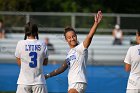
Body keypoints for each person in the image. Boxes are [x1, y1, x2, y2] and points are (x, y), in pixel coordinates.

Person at [45, 11, 102, 93]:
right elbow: (62, 68)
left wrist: (96, 23)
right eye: (69, 37)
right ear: (66, 39)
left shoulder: (81, 48)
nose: (72, 39)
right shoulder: (69, 53)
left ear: (76, 36)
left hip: (78, 82)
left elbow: (89, 36)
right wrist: (48, 75)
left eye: (73, 36)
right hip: (72, 84)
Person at [15, 22, 48, 93]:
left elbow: (19, 63)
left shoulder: (20, 43)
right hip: (39, 81)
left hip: (23, 81)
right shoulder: (43, 44)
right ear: (37, 31)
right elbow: (45, 63)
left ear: (25, 32)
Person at [124, 29, 140, 93]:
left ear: (139, 36)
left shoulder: (132, 49)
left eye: (136, 35)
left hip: (133, 85)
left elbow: (127, 68)